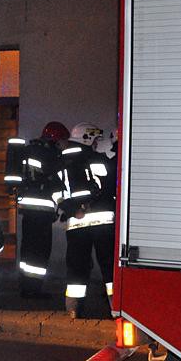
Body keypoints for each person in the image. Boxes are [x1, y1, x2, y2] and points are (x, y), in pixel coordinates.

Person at [56, 122, 115, 318]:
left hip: (76, 225)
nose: (99, 142)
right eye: (96, 138)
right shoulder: (98, 159)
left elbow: (56, 192)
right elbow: (111, 184)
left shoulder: (62, 162)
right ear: (87, 138)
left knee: (76, 267)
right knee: (108, 266)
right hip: (103, 223)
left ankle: (73, 309)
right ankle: (116, 308)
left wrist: (72, 209)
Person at [5, 121, 69, 298]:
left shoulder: (29, 150)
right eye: (63, 141)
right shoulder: (49, 155)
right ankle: (34, 290)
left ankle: (26, 286)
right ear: (55, 140)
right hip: (42, 210)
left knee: (28, 249)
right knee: (40, 252)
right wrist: (65, 205)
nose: (64, 145)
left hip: (28, 209)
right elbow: (55, 183)